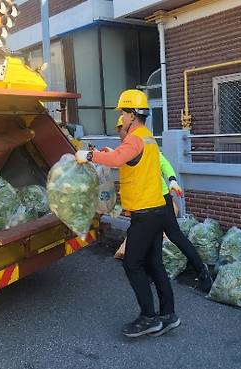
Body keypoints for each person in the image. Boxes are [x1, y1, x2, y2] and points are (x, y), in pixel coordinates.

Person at [75, 89, 179, 338]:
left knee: (132, 264)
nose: (121, 116)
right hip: (157, 210)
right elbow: (130, 161)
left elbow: (118, 158)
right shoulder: (148, 138)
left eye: (123, 111)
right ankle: (168, 315)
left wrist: (88, 155)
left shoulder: (134, 139)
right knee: (155, 264)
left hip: (144, 213)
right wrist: (111, 155)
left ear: (132, 114)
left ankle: (148, 318)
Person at [112, 117, 213, 293]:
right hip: (149, 203)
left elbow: (163, 162)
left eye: (120, 129)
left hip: (159, 199)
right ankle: (159, 273)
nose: (119, 133)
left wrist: (172, 180)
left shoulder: (141, 143)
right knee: (156, 239)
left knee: (173, 236)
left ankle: (201, 271)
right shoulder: (129, 146)